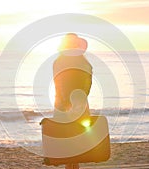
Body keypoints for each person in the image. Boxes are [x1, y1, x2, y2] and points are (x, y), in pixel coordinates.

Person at [52, 33, 93, 169]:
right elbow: (60, 83)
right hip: (67, 104)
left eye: (75, 42)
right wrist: (68, 104)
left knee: (75, 140)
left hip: (76, 104)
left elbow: (87, 81)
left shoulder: (80, 60)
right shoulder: (63, 60)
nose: (73, 45)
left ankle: (73, 166)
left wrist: (78, 101)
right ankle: (71, 166)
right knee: (69, 139)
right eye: (71, 42)